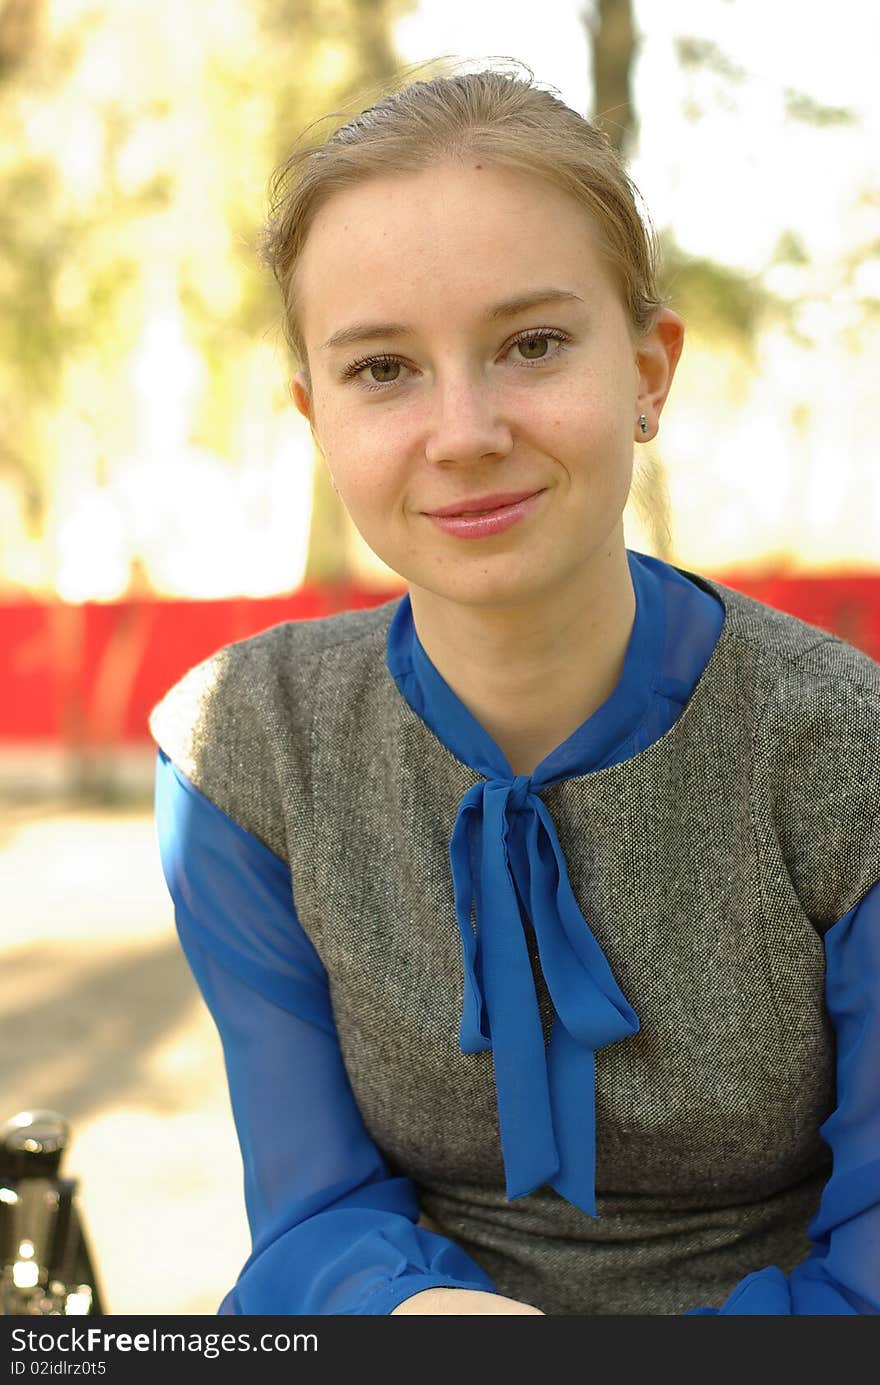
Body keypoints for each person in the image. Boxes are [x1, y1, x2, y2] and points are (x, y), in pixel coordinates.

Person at [149, 63, 880, 1316]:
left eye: (531, 343)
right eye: (382, 369)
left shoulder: (841, 751)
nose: (464, 429)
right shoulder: (243, 753)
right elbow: (314, 1214)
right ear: (313, 414)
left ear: (648, 373)